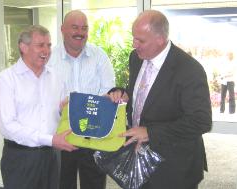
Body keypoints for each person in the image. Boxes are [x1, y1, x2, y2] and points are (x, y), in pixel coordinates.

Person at [109, 10, 212, 189]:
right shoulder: (136, 58)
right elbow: (143, 92)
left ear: (160, 39)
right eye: (133, 38)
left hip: (174, 166)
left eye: (140, 40)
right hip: (139, 157)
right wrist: (122, 94)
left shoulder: (189, 70)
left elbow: (201, 121)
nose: (134, 45)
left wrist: (150, 132)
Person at [0, 25, 77, 189]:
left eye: (49, 45)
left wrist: (64, 110)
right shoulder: (7, 79)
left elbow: (59, 114)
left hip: (52, 156)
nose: (46, 50)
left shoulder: (55, 77)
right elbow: (8, 126)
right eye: (40, 45)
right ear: (23, 47)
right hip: (21, 158)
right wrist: (50, 139)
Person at [48, 10, 115, 189]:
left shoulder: (99, 56)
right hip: (61, 135)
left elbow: (108, 90)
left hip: (92, 134)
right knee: (62, 183)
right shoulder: (49, 58)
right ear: (62, 29)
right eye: (75, 27)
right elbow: (42, 94)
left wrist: (85, 107)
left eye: (84, 28)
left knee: (94, 183)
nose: (80, 32)